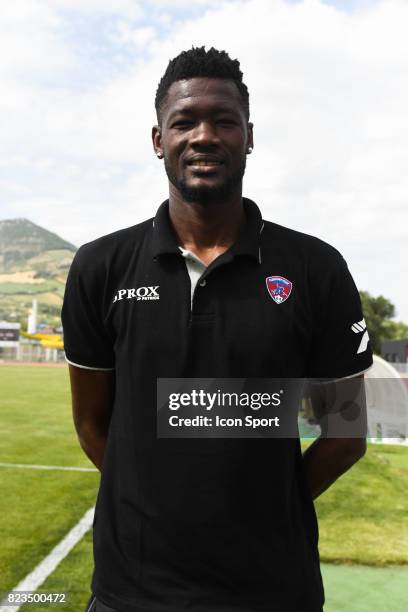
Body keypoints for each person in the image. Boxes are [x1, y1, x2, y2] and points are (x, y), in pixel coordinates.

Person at [61, 46, 373, 612]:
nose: (204, 135)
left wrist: (265, 505)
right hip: (133, 593)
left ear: (249, 136)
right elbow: (90, 422)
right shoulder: (100, 266)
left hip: (272, 591)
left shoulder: (314, 267)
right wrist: (159, 502)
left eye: (223, 121)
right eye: (184, 121)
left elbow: (346, 435)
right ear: (158, 139)